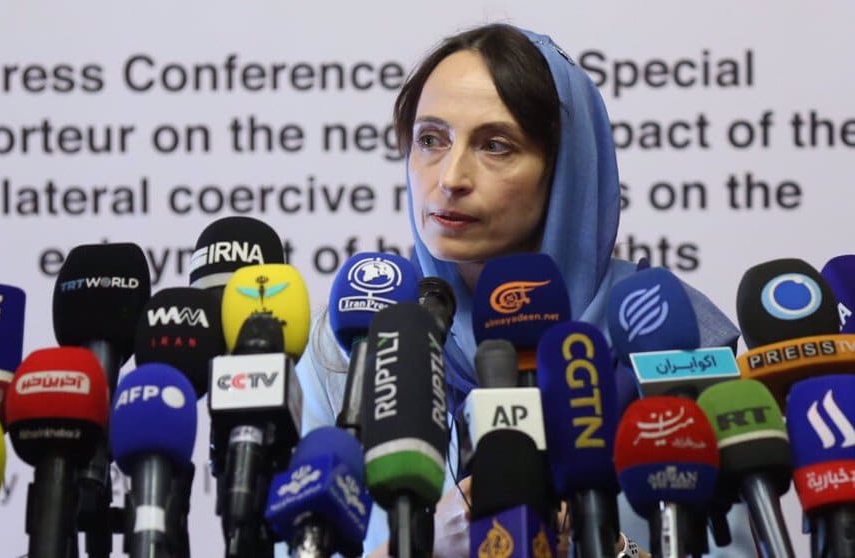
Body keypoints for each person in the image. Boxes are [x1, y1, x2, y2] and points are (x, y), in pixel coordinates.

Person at [294, 23, 754, 557]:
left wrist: (602, 546)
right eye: (430, 139)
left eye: (495, 145)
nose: (450, 176)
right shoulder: (354, 340)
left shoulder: (667, 333)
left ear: (563, 170)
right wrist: (417, 548)